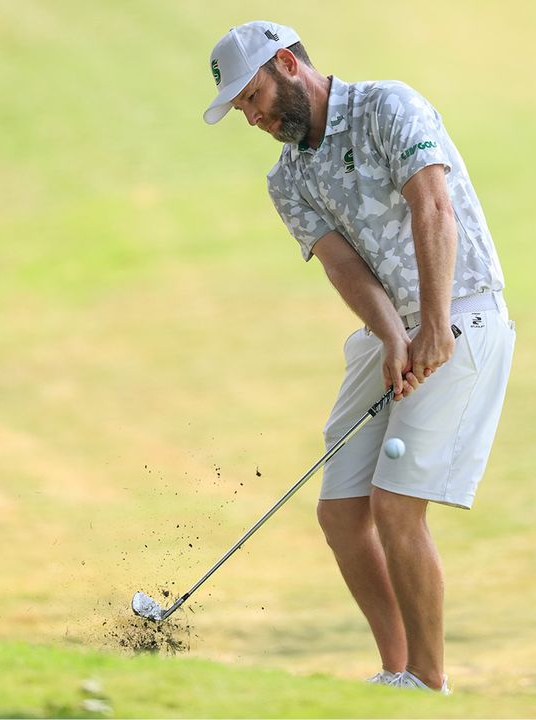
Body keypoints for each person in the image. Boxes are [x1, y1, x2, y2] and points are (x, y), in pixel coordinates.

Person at [203, 21, 515, 693]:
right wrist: (395, 337)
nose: (252, 118)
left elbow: (434, 205)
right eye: (241, 110)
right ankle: (397, 670)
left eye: (253, 98)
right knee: (342, 511)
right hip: (390, 332)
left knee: (396, 506)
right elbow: (344, 269)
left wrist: (432, 327)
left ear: (286, 63)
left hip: (461, 309)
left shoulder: (387, 105)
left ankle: (429, 682)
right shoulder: (287, 178)